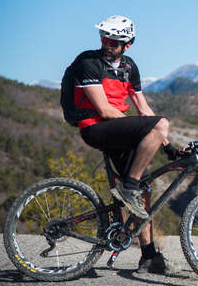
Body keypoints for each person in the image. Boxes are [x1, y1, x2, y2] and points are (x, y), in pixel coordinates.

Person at [71, 15, 180, 274]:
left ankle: (149, 257)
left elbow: (144, 110)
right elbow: (104, 110)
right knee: (158, 127)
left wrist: (166, 144)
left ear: (128, 44)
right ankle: (129, 186)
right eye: (104, 37)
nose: (107, 43)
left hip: (118, 129)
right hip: (95, 128)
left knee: (144, 190)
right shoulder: (89, 62)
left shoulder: (130, 66)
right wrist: (153, 128)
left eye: (114, 40)